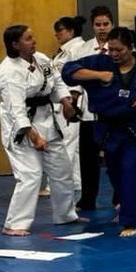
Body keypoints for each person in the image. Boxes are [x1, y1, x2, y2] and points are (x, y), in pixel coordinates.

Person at [61, 27, 136, 237]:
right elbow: (68, 71)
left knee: (130, 170)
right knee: (114, 171)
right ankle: (124, 202)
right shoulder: (101, 63)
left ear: (131, 48)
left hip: (135, 128)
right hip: (108, 129)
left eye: (119, 50)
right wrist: (99, 75)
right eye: (111, 49)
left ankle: (130, 221)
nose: (114, 54)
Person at [0, 24, 80, 236]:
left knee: (62, 170)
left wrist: (66, 102)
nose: (34, 42)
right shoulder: (9, 72)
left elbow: (57, 82)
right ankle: (15, 224)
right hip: (20, 129)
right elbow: (16, 110)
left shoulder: (41, 59)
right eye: (28, 39)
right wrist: (34, 136)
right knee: (30, 175)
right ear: (15, 44)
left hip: (47, 121)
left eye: (33, 37)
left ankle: (66, 215)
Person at [76, 6, 117, 214]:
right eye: (98, 25)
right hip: (89, 113)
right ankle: (87, 199)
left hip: (113, 112)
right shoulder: (83, 49)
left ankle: (119, 197)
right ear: (92, 26)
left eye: (106, 24)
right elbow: (74, 76)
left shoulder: (121, 48)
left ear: (112, 25)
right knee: (87, 159)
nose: (102, 28)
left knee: (115, 157)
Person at [51, 15, 95, 210]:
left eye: (60, 31)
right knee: (73, 146)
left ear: (70, 31)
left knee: (67, 143)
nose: (56, 35)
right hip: (63, 100)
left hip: (72, 101)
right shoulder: (63, 51)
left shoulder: (78, 48)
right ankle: (75, 181)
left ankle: (63, 183)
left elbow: (77, 77)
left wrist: (71, 100)